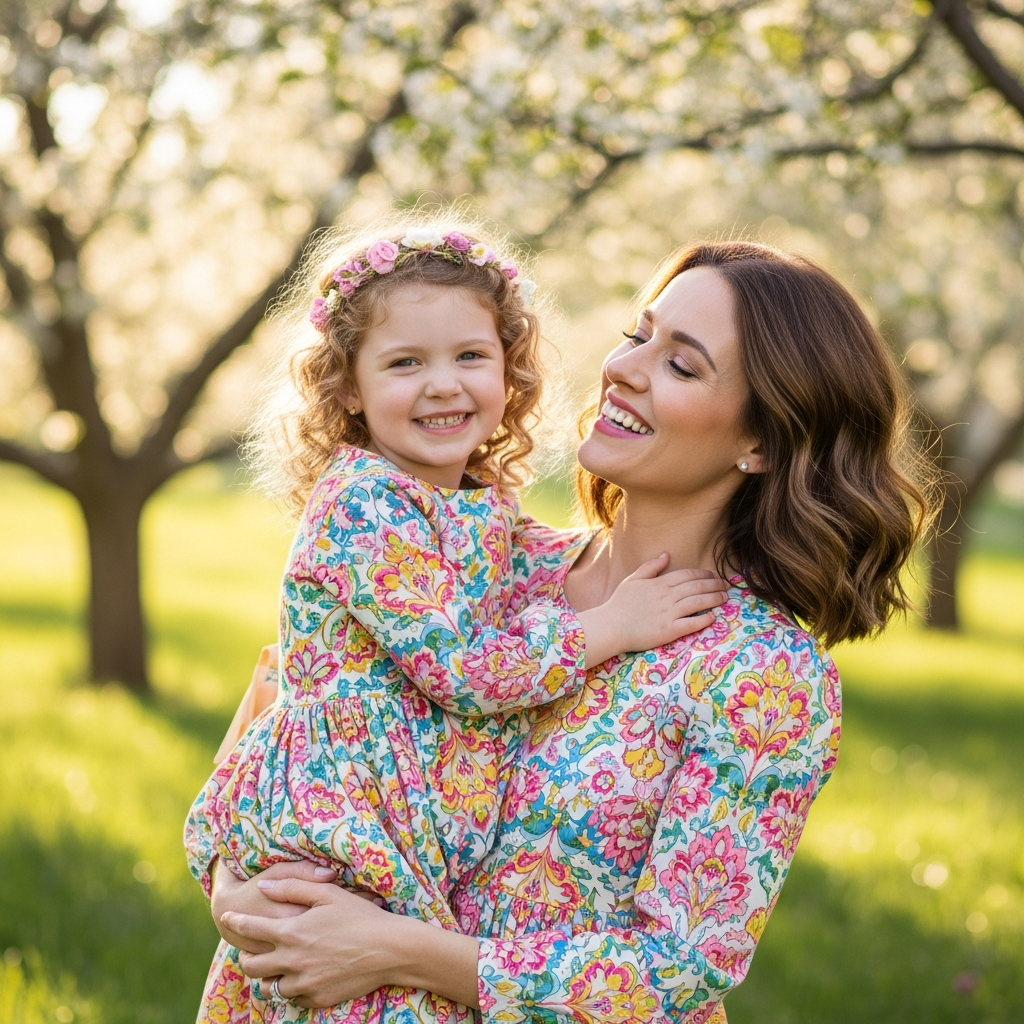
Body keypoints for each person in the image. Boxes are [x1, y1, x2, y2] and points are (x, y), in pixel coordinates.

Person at [207, 241, 933, 1023]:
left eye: (682, 365)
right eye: (637, 335)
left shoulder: (759, 672)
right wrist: (237, 896)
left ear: (760, 442)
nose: (624, 368)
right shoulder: (487, 554)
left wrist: (395, 949)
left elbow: (681, 966)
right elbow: (289, 709)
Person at [184, 221, 731, 1024]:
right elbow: (461, 670)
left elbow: (684, 966)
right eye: (405, 363)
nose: (443, 384)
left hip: (398, 843)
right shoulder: (365, 502)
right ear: (347, 388)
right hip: (350, 825)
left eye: (470, 357)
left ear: (510, 373)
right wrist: (608, 629)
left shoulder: (479, 511)